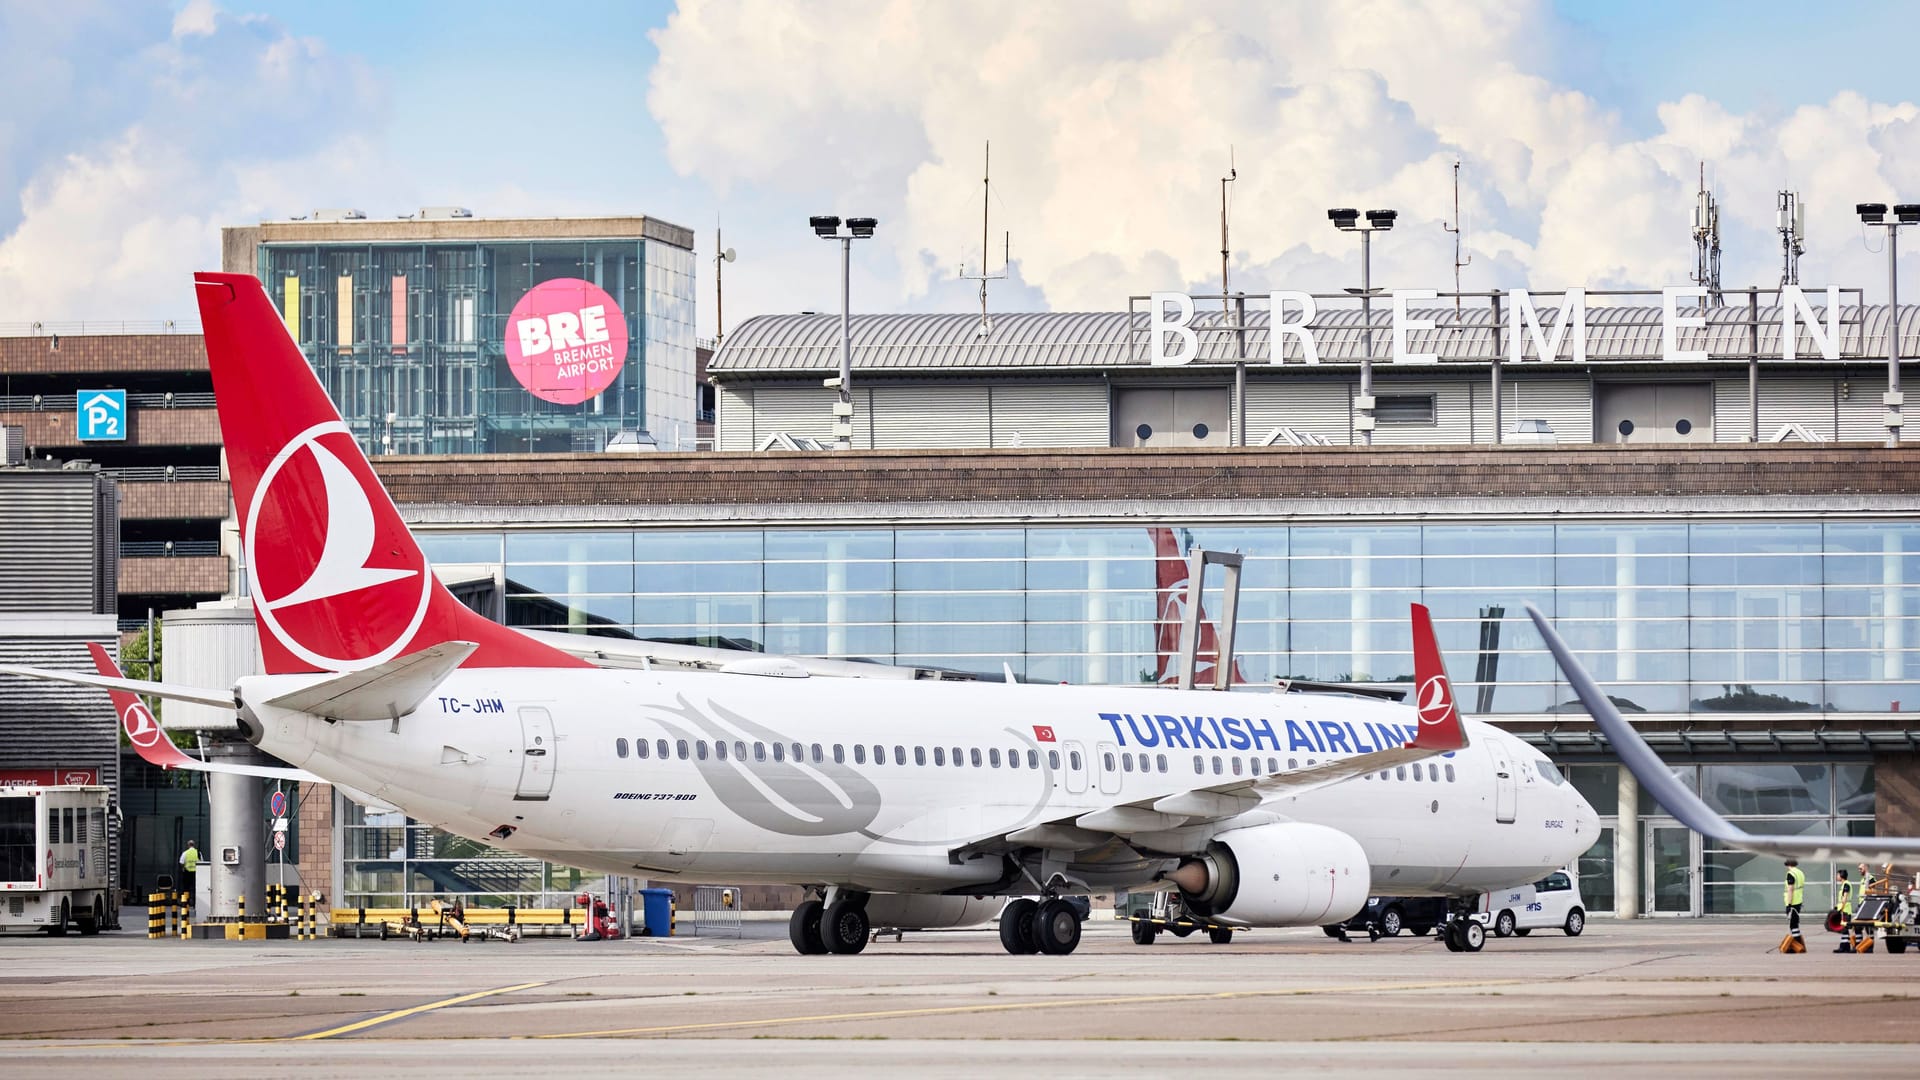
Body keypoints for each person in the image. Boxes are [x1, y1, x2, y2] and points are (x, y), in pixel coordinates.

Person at [1781, 857, 1806, 953]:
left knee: (1793, 925)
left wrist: (1789, 904)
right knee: (1795, 924)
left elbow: (1790, 889)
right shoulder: (1800, 873)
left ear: (1787, 864)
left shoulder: (1790, 874)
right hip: (1799, 900)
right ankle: (1798, 945)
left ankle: (1796, 946)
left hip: (1793, 902)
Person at [1833, 869, 1853, 952]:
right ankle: (1845, 947)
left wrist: (1840, 909)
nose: (1836, 877)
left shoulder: (1846, 884)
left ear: (1841, 876)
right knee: (1844, 929)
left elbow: (1844, 897)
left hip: (1845, 909)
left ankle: (1843, 947)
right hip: (1844, 908)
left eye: (1837, 875)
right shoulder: (1844, 884)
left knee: (1844, 928)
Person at [178, 841, 200, 909]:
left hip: (187, 872)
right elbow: (201, 862)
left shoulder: (185, 853)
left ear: (188, 845)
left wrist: (183, 868)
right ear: (194, 845)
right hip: (196, 873)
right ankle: (194, 903)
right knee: (194, 888)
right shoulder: (198, 853)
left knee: (185, 888)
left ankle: (185, 902)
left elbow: (181, 862)